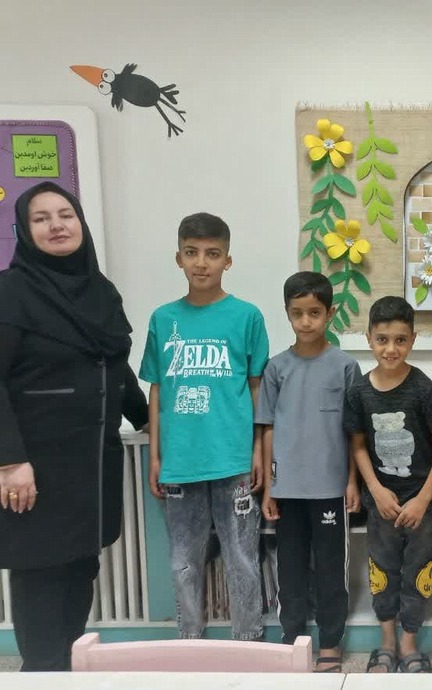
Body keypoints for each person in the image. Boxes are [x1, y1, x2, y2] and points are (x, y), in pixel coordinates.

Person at [0, 181, 148, 671]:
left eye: (65, 215)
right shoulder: (10, 292)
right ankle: (40, 674)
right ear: (25, 230)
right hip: (34, 468)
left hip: (91, 464)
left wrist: (150, 419)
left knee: (80, 569)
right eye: (41, 218)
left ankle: (64, 671)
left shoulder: (100, 291)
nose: (57, 225)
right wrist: (10, 460)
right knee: (40, 575)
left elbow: (114, 366)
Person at [139, 212, 269, 642]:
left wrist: (257, 449)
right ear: (178, 258)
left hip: (233, 459)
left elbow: (257, 389)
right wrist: (156, 456)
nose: (201, 262)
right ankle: (189, 642)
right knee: (183, 560)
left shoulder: (247, 317)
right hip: (180, 461)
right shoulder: (163, 319)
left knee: (242, 558)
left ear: (227, 261)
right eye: (192, 253)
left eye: (212, 254)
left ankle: (248, 640)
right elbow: (157, 389)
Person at [256, 271, 362, 672]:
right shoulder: (276, 368)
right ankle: (294, 639)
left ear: (329, 314)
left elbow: (354, 433)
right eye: (297, 313)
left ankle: (330, 642)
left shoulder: (346, 366)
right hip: (287, 490)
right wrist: (270, 488)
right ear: (287, 313)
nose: (306, 321)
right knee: (290, 569)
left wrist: (352, 481)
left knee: (332, 569)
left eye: (314, 313)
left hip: (330, 489)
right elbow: (268, 428)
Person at [345, 296, 432, 673]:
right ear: (369, 338)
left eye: (400, 340)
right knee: (383, 569)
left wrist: (423, 499)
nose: (391, 348)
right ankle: (387, 642)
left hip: (423, 502)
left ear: (413, 340)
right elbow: (358, 445)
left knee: (418, 570)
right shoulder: (359, 391)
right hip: (382, 501)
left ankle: (409, 644)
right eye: (382, 339)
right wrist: (375, 489)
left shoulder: (422, 388)